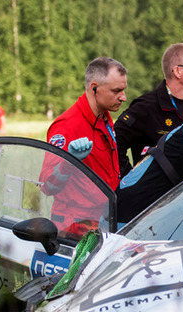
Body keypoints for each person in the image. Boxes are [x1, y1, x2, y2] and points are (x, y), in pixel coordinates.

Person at [44, 56, 127, 235]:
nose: (124, 97)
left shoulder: (104, 117)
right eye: (116, 90)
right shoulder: (66, 127)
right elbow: (47, 186)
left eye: (123, 90)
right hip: (74, 227)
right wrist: (69, 162)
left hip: (102, 220)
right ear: (94, 88)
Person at [115, 43, 183, 176]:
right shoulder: (146, 107)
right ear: (177, 71)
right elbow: (115, 142)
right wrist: (130, 178)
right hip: (154, 194)